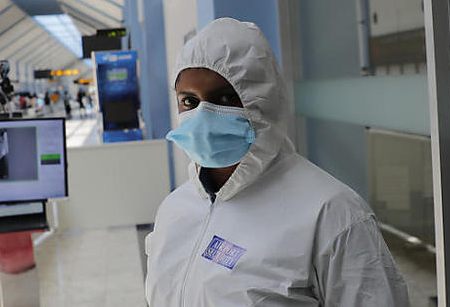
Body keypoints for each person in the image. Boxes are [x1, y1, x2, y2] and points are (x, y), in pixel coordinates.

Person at [145, 18, 409, 306]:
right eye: (189, 101)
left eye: (224, 98)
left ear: (263, 101)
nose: (203, 116)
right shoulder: (175, 210)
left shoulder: (332, 214)